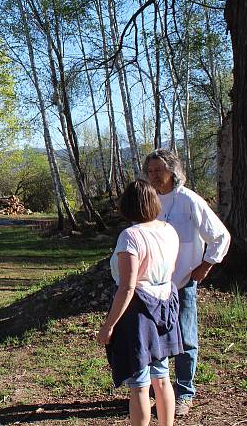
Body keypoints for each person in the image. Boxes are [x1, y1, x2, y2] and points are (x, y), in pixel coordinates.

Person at [143, 149, 231, 417]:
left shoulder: (189, 200)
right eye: (150, 171)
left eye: (159, 170)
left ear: (172, 170)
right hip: (153, 285)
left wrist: (204, 266)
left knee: (185, 339)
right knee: (156, 339)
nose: (154, 175)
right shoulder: (149, 201)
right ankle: (158, 390)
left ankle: (184, 393)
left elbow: (220, 236)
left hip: (182, 282)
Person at [97, 180, 182, 426]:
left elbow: (127, 286)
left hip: (138, 313)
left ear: (127, 206)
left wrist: (109, 325)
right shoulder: (169, 230)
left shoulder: (130, 236)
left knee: (140, 385)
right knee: (163, 378)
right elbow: (172, 270)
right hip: (166, 306)